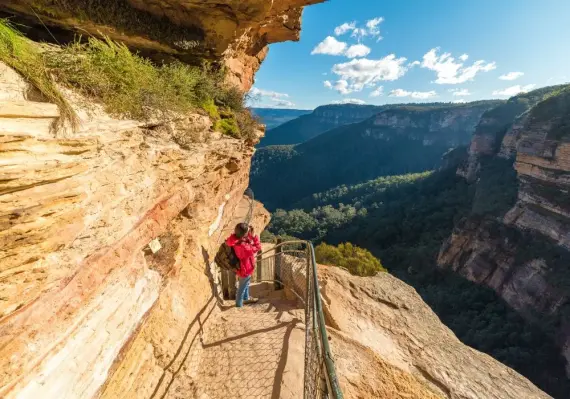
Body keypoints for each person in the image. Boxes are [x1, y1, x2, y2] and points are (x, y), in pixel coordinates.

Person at [226, 223, 262, 307]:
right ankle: (239, 304)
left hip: (242, 267)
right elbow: (257, 247)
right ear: (244, 233)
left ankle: (246, 298)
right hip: (245, 268)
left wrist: (249, 235)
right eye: (247, 232)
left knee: (246, 283)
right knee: (242, 287)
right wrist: (254, 237)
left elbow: (245, 240)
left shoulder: (235, 239)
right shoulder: (244, 247)